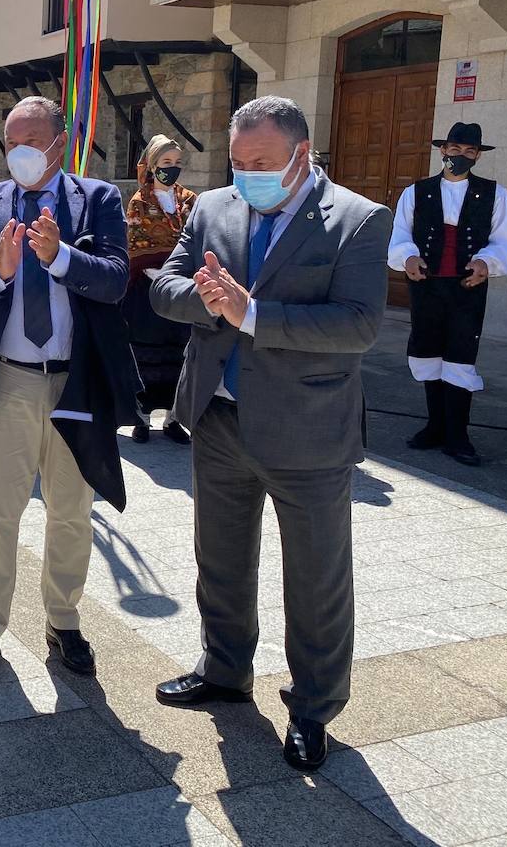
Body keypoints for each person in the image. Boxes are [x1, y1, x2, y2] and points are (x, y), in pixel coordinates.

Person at [149, 96, 391, 773]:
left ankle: (313, 706)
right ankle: (225, 668)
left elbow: (358, 325)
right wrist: (208, 299)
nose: (246, 173)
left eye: (261, 162)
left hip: (308, 433)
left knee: (315, 581)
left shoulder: (357, 220)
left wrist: (253, 313)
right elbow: (163, 287)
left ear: (301, 157)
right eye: (237, 161)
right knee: (220, 561)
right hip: (219, 419)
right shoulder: (213, 208)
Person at [0, 96, 132, 684]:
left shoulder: (97, 201)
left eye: (30, 140)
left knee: (72, 512)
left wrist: (58, 257)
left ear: (58, 143)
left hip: (75, 383)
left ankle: (63, 620)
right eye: (10, 142)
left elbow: (117, 280)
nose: (18, 152)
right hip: (8, 380)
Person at [388, 121, 507, 466]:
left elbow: (503, 241)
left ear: (477, 156)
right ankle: (435, 427)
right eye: (455, 150)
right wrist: (408, 257)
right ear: (443, 150)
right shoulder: (416, 191)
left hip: (466, 287)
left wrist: (486, 263)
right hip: (427, 286)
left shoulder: (495, 194)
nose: (461, 156)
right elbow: (400, 234)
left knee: (460, 354)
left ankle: (458, 434)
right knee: (427, 351)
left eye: (469, 152)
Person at [122, 134, 196, 445]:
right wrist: (153, 269)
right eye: (166, 163)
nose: (173, 168)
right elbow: (135, 243)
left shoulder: (190, 200)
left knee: (179, 353)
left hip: (180, 289)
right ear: (153, 166)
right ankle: (141, 418)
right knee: (145, 354)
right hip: (146, 290)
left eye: (177, 163)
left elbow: (196, 239)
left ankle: (173, 419)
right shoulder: (140, 201)